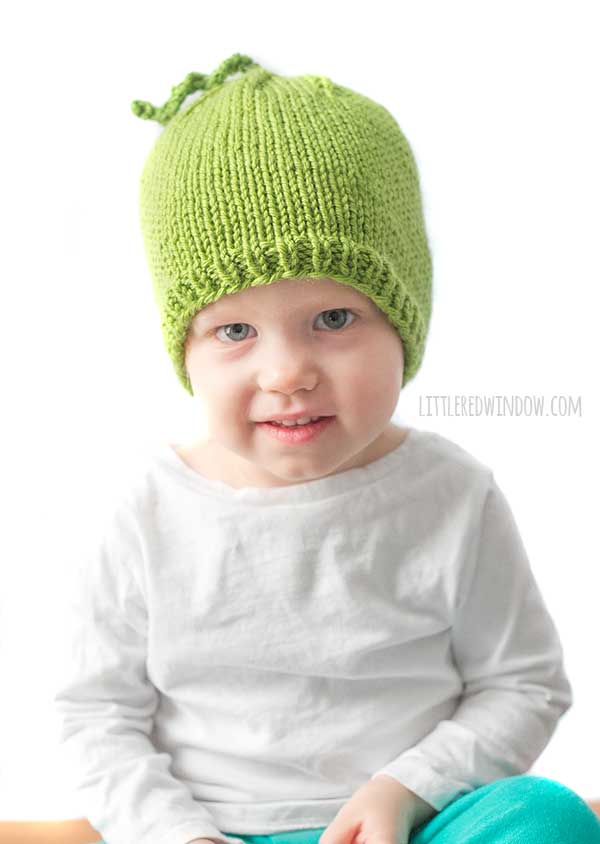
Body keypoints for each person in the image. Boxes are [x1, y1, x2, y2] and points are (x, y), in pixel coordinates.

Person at [53, 53, 600, 844]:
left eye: (335, 320)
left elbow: (523, 683)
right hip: (210, 828)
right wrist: (172, 832)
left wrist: (408, 790)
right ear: (186, 347)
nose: (287, 373)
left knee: (544, 815)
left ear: (403, 323)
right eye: (234, 331)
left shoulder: (451, 493)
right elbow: (95, 711)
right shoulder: (149, 507)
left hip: (413, 827)